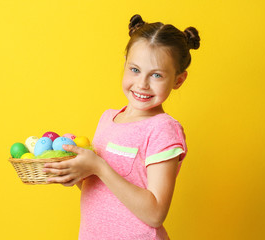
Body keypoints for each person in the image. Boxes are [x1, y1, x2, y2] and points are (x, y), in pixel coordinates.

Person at [42, 14, 200, 240]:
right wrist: (78, 175)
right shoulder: (108, 119)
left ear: (178, 80)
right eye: (135, 70)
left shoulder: (162, 130)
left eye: (156, 75)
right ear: (125, 62)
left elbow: (155, 214)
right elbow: (104, 190)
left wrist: (98, 167)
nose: (142, 84)